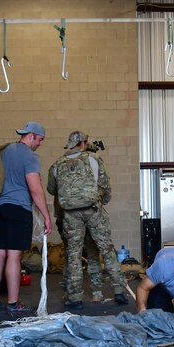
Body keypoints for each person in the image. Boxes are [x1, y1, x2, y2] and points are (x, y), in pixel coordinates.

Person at [47, 130, 128, 309]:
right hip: (93, 211)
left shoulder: (57, 164)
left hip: (70, 215)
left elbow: (52, 189)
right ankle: (119, 291)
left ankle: (75, 297)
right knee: (106, 250)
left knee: (73, 255)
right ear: (83, 143)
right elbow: (105, 185)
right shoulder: (94, 159)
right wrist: (102, 201)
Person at [0, 121, 53, 318]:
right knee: (14, 256)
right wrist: (46, 216)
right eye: (40, 139)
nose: (40, 143)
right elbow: (35, 189)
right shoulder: (30, 157)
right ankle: (13, 304)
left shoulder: (5, 151)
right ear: (31, 136)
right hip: (18, 209)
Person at [53, 195, 109, 303]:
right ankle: (97, 293)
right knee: (93, 254)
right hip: (91, 214)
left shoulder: (62, 181)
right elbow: (105, 197)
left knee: (72, 256)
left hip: (69, 215)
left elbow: (54, 191)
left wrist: (60, 216)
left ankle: (70, 292)